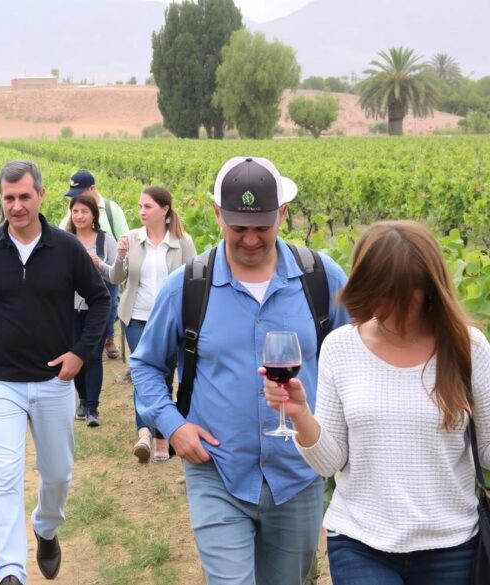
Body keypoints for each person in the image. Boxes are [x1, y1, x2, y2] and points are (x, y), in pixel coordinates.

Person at [131, 157, 350, 585]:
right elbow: (146, 365)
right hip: (217, 470)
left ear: (282, 215)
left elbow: (357, 361)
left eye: (262, 227)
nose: (250, 239)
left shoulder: (321, 279)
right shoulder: (188, 285)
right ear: (217, 214)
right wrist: (174, 427)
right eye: (238, 227)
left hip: (298, 476)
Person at [263, 220, 490, 584]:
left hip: (452, 545)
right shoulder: (340, 347)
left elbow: (487, 453)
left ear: (428, 288)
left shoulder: (469, 347)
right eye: (377, 293)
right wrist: (300, 414)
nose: (385, 307)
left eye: (400, 296)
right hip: (359, 542)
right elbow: (330, 462)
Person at [0, 161, 110, 585]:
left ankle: (46, 527)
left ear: (40, 196)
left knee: (58, 474)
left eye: (24, 196)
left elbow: (100, 301)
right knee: (5, 475)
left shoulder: (66, 248)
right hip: (1, 380)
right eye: (9, 198)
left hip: (53, 382)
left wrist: (81, 353)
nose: (16, 206)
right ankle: (10, 570)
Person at [109, 186, 196, 462]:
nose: (142, 212)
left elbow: (194, 281)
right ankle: (145, 433)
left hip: (170, 321)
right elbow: (115, 277)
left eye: (147, 207)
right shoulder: (131, 239)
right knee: (143, 375)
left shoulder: (183, 242)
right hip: (136, 318)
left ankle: (161, 434)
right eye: (140, 207)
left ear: (165, 210)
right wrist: (121, 256)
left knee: (165, 376)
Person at [60, 170, 128, 360]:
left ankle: (107, 339)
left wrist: (111, 262)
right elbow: (60, 234)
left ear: (92, 189)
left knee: (110, 307)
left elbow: (124, 238)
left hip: (106, 269)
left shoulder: (112, 209)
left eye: (80, 193)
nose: (77, 201)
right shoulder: (73, 211)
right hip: (78, 274)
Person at [64, 194, 117, 427]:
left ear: (94, 215)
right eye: (75, 211)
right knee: (76, 353)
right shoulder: (64, 240)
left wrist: (100, 264)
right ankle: (83, 400)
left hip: (97, 305)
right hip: (69, 306)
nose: (79, 216)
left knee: (94, 355)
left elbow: (117, 275)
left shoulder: (106, 241)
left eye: (84, 212)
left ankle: (93, 407)